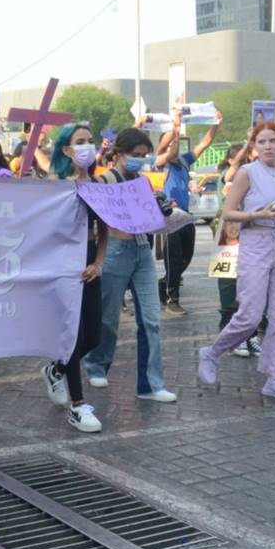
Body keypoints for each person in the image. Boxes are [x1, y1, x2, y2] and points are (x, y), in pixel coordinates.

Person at [198, 121, 275, 401]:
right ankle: (212, 353)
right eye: (262, 142)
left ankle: (274, 378)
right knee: (250, 315)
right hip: (256, 244)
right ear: (254, 147)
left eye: (273, 141)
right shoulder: (248, 172)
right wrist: (257, 215)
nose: (268, 146)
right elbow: (228, 213)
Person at [82, 128, 178, 404]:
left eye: (144, 155)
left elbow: (151, 216)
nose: (139, 160)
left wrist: (163, 212)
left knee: (151, 319)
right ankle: (97, 364)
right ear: (119, 154)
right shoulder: (103, 181)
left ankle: (149, 384)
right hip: (114, 250)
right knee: (108, 317)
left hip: (142, 250)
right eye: (135, 155)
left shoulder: (144, 182)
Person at [41, 124, 109, 433]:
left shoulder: (98, 185)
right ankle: (78, 406)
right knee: (75, 336)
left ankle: (55, 369)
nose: (87, 146)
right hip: (64, 270)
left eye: (90, 141)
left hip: (89, 267)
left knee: (94, 336)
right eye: (80, 142)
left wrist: (98, 262)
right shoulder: (56, 188)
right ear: (66, 150)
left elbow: (105, 229)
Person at [154, 108, 222, 315]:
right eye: (171, 142)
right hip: (168, 216)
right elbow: (170, 150)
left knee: (186, 257)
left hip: (185, 216)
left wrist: (216, 123)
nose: (175, 145)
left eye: (177, 141)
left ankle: (166, 282)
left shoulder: (184, 160)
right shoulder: (160, 162)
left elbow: (205, 143)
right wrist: (175, 125)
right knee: (172, 259)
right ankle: (171, 299)